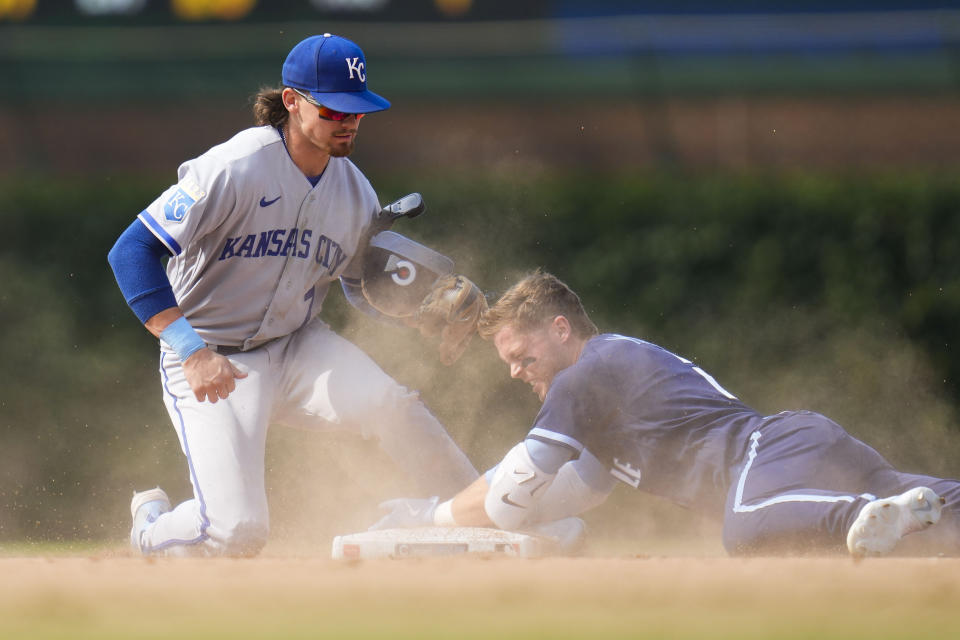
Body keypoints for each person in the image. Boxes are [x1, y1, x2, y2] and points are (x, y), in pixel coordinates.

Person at [108, 33, 479, 557]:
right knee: (236, 533)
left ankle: (482, 510)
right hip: (214, 357)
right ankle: (150, 526)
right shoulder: (234, 167)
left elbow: (357, 285)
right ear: (291, 101)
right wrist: (190, 350)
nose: (347, 121)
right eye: (333, 110)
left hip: (298, 345)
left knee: (394, 407)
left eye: (357, 110)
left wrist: (417, 316)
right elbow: (131, 252)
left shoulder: (355, 191)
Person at [371, 270, 960, 557]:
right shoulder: (602, 403)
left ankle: (861, 514)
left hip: (772, 456)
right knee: (931, 507)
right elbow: (553, 495)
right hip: (799, 454)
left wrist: (433, 515)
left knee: (746, 527)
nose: (515, 371)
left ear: (560, 329)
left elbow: (512, 491)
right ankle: (890, 506)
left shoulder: (584, 374)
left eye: (522, 356)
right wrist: (465, 520)